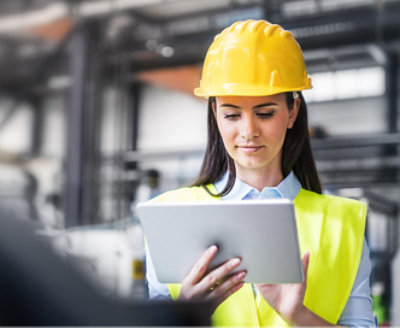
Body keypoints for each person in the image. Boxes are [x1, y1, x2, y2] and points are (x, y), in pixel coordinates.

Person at [145, 19, 375, 327]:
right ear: (215, 115)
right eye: (232, 115)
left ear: (292, 112)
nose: (249, 131)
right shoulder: (170, 215)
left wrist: (300, 316)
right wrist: (183, 313)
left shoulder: (343, 224)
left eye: (265, 113)